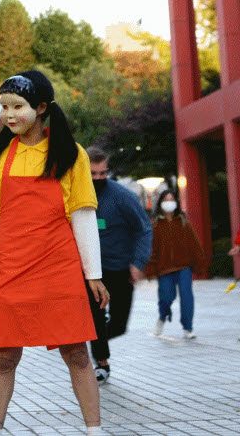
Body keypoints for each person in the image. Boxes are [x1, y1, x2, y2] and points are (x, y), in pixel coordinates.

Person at [0, 71, 109, 436]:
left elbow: (82, 215)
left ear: (42, 108)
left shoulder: (69, 154)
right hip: (10, 269)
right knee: (4, 356)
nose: (9, 114)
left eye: (18, 107)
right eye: (4, 107)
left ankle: (95, 429)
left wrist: (93, 274)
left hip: (58, 268)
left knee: (77, 353)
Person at [85, 146, 152, 383]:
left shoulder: (123, 197)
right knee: (95, 317)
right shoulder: (74, 194)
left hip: (120, 268)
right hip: (89, 271)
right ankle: (102, 363)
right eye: (93, 174)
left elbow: (143, 230)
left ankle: (94, 338)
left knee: (119, 324)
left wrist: (138, 262)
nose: (98, 179)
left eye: (103, 173)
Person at [145, 189, 206, 339]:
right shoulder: (155, 224)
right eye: (166, 200)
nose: (169, 203)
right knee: (166, 297)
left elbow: (194, 244)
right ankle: (162, 317)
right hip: (164, 269)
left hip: (183, 266)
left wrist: (200, 264)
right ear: (161, 203)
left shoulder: (183, 221)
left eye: (172, 199)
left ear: (176, 202)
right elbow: (151, 248)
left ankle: (188, 328)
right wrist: (150, 269)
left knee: (187, 296)